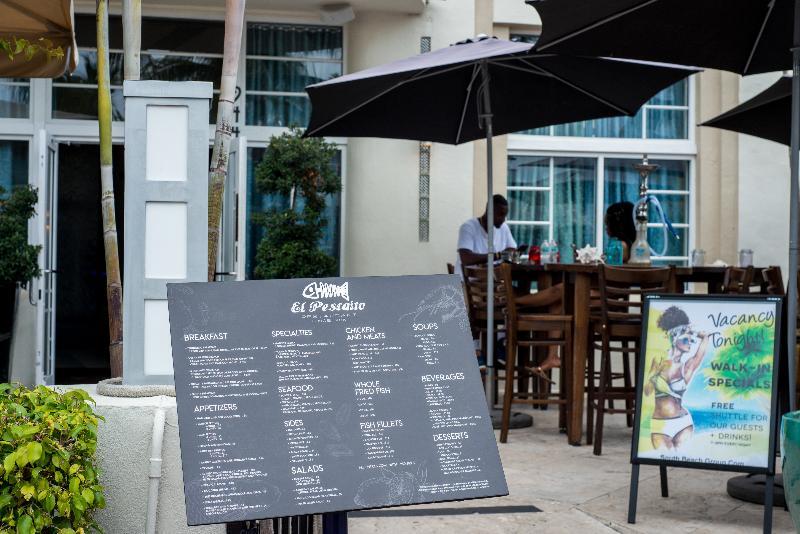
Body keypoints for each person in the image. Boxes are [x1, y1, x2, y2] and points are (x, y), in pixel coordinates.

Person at [456, 194, 561, 377]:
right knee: (477, 303)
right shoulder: (469, 227)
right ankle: (477, 350)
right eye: (499, 214)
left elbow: (511, 249)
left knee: (517, 296)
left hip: (493, 284)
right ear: (489, 212)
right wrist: (496, 255)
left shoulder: (502, 228)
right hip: (470, 284)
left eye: (505, 215)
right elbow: (465, 257)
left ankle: (503, 341)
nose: (503, 219)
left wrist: (510, 253)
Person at [643, 306, 710, 450]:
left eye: (691, 340)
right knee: (663, 456)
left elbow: (701, 352)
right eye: (686, 339)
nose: (690, 343)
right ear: (674, 338)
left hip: (683, 422)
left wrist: (699, 334)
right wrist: (654, 372)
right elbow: (647, 392)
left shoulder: (686, 367)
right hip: (659, 424)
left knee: (681, 460)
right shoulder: (658, 361)